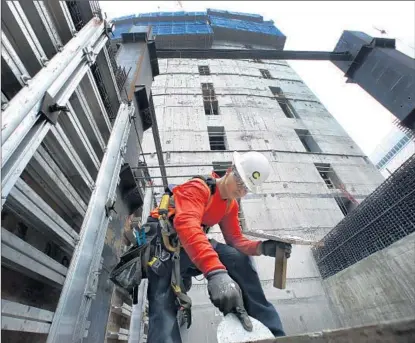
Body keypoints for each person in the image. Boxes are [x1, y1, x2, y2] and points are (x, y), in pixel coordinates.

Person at [145, 151, 292, 343]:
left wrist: (262, 248)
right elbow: (186, 224)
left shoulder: (230, 206)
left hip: (187, 245)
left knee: (237, 258)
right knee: (162, 303)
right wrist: (216, 272)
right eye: (239, 182)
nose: (241, 191)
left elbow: (235, 241)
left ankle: (272, 333)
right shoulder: (198, 187)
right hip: (162, 243)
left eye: (246, 188)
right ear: (230, 170)